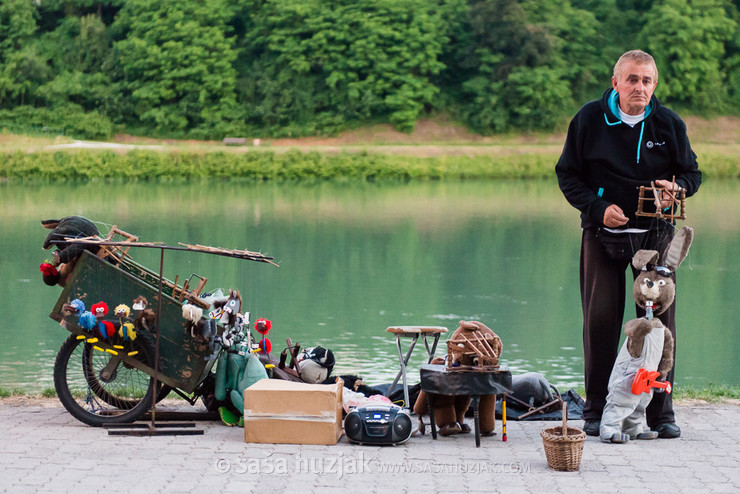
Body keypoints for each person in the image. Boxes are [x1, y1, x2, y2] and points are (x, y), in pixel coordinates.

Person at [555, 50, 701, 438]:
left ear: (655, 85)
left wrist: (678, 188)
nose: (640, 87)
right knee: (600, 321)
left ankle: (660, 414)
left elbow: (691, 173)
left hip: (656, 239)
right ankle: (596, 409)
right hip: (603, 234)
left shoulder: (668, 123)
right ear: (616, 81)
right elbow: (567, 176)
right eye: (633, 79)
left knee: (658, 326)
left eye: (647, 80)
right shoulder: (588, 119)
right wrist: (597, 207)